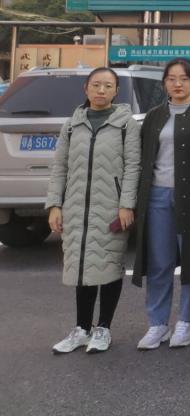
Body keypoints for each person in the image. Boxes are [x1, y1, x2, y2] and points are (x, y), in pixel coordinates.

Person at [47, 67, 141, 354]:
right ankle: (81, 329)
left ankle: (103, 328)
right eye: (96, 85)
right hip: (76, 207)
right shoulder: (72, 125)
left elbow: (133, 167)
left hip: (111, 207)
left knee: (109, 265)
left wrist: (126, 204)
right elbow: (60, 167)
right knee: (82, 266)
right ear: (86, 88)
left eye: (108, 86)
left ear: (116, 92)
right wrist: (55, 204)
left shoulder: (126, 125)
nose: (101, 90)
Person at [133, 58, 190, 351]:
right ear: (164, 84)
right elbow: (144, 156)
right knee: (159, 262)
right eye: (171, 78)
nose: (178, 84)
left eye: (184, 78)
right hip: (157, 196)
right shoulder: (155, 115)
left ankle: (186, 320)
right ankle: (157, 323)